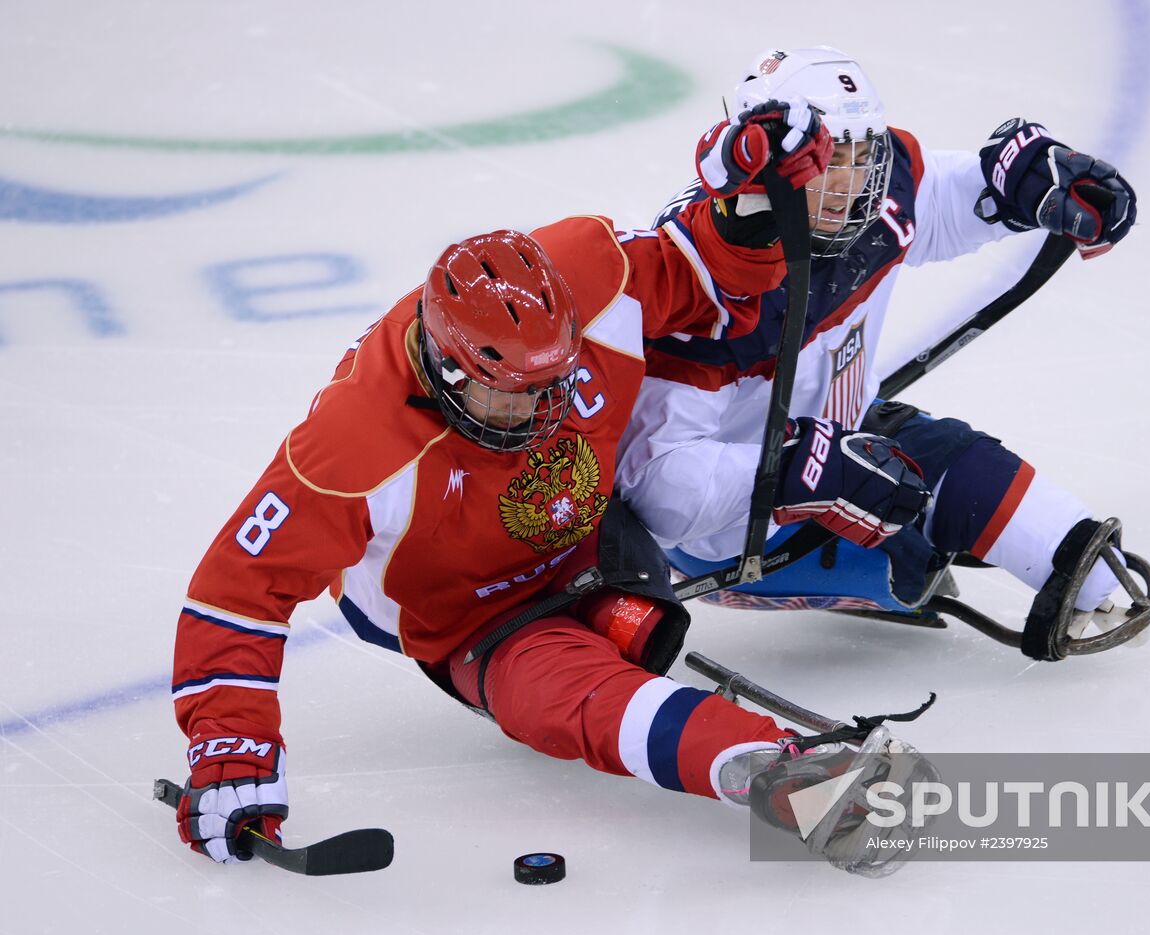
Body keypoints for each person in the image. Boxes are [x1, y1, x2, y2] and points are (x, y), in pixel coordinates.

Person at [170, 222, 931, 876]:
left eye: (551, 385)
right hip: (472, 617)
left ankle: (886, 561)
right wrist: (232, 754)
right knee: (574, 701)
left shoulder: (592, 269)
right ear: (445, 367)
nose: (534, 413)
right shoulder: (351, 445)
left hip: (595, 535)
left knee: (642, 626)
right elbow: (236, 591)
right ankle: (775, 768)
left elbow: (703, 266)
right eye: (506, 394)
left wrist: (745, 219)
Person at [615, 46, 1150, 660]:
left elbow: (938, 200)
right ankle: (892, 557)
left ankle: (1027, 554)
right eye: (826, 159)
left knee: (969, 473)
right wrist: (802, 469)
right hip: (735, 534)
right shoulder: (701, 280)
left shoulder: (873, 192)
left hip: (835, 437)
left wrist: (1021, 186)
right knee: (907, 556)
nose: (848, 182)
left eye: (861, 154)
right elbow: (655, 488)